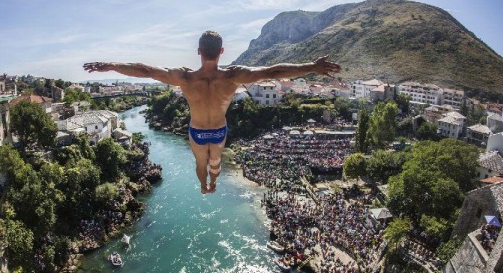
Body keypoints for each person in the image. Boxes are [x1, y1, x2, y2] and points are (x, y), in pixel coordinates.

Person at [84, 30, 341, 194]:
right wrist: (312, 66)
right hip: (218, 130)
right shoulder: (233, 76)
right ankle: (214, 183)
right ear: (221, 52)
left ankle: (202, 185)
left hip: (196, 131)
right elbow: (274, 71)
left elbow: (146, 70)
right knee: (215, 162)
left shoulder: (184, 77)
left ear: (198, 52)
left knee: (200, 162)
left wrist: (110, 66)